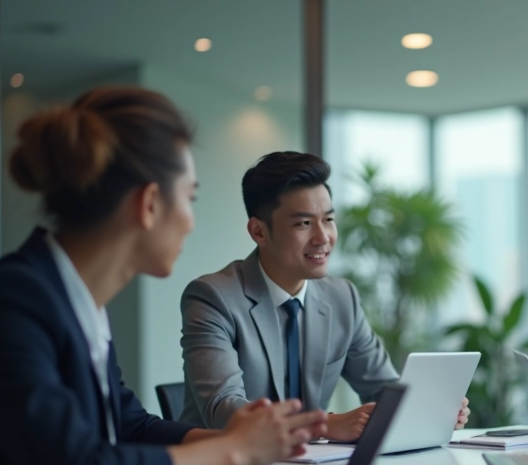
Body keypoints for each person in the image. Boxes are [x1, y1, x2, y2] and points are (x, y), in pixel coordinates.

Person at [0, 87, 328, 465]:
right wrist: (234, 451)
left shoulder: (73, 299)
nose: (191, 222)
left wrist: (237, 436)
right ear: (149, 204)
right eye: (189, 199)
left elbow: (129, 426)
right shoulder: (10, 304)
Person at [180, 152, 469, 439]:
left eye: (328, 219)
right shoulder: (213, 298)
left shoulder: (342, 298)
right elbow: (224, 410)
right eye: (304, 224)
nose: (323, 237)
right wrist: (323, 425)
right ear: (259, 231)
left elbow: (384, 390)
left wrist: (428, 409)